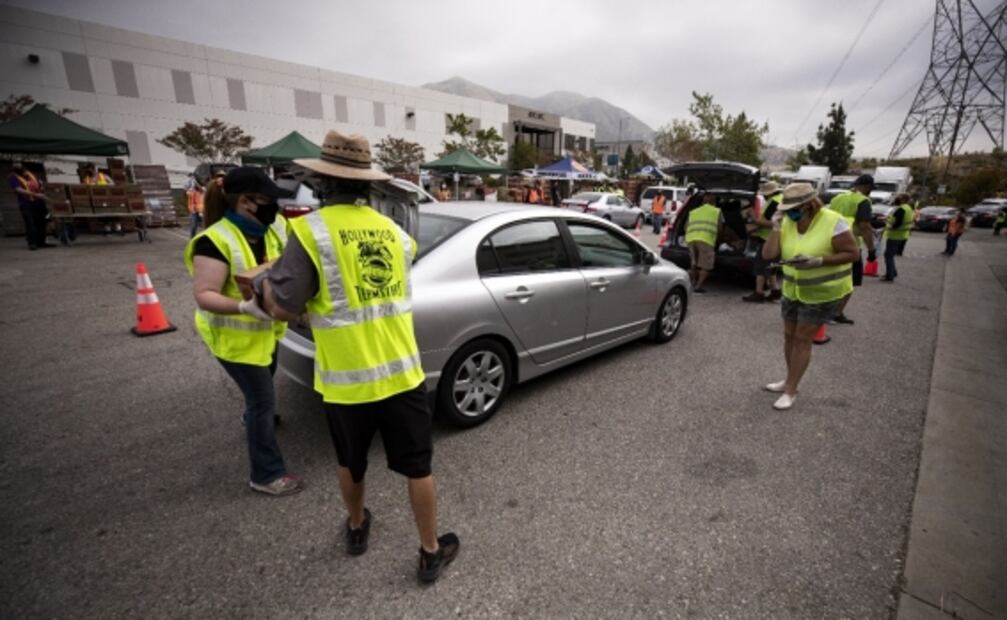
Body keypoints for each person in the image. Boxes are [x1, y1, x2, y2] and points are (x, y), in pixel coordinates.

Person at [256, 131, 459, 583]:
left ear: (323, 184)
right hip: (402, 373)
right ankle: (429, 551)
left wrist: (262, 281)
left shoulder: (309, 231)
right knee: (418, 467)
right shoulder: (397, 234)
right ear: (368, 185)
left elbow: (284, 306)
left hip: (347, 381)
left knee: (351, 461)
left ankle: (356, 527)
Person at [183, 167, 303, 497]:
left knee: (264, 389)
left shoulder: (272, 226)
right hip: (235, 340)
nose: (274, 209)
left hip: (266, 333)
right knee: (262, 403)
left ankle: (253, 418)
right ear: (246, 202)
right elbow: (204, 294)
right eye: (267, 201)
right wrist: (242, 308)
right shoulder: (215, 241)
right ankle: (266, 474)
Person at [762, 183, 858, 410]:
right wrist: (775, 228)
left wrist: (820, 261)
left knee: (802, 340)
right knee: (789, 336)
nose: (789, 213)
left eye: (794, 209)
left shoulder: (833, 221)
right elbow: (768, 254)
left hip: (821, 292)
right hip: (793, 289)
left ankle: (791, 390)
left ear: (809, 205)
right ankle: (788, 379)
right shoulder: (787, 222)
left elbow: (853, 254)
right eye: (786, 210)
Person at [827, 174, 877, 325]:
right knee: (850, 282)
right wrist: (872, 250)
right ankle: (836, 312)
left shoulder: (838, 198)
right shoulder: (863, 201)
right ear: (867, 187)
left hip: (831, 242)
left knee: (831, 279)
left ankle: (826, 310)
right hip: (851, 246)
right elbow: (864, 226)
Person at [743, 181, 784, 302]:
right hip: (778, 238)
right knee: (771, 267)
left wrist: (753, 219)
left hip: (769, 240)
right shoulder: (782, 199)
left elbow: (769, 222)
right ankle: (775, 291)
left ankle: (758, 293)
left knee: (760, 266)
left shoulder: (774, 202)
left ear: (768, 194)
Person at [685, 191, 722, 294]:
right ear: (714, 202)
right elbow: (720, 228)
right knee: (706, 265)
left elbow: (686, 227)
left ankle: (692, 282)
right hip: (706, 239)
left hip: (691, 238)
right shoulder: (716, 211)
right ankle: (698, 286)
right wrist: (719, 239)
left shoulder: (694, 211)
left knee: (694, 262)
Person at [8, 162, 51, 250]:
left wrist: (42, 189)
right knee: (30, 223)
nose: (17, 166)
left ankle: (41, 242)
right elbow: (18, 190)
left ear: (23, 166)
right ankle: (32, 243)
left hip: (38, 202)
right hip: (26, 203)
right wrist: (35, 194)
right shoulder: (13, 177)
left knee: (42, 222)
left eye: (19, 164)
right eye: (15, 165)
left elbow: (39, 185)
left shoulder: (30, 175)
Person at [881, 193, 914, 282]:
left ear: (903, 199)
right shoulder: (908, 208)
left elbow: (897, 224)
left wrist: (888, 227)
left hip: (895, 235)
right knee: (890, 255)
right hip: (902, 235)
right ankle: (893, 272)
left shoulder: (901, 209)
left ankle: (890, 276)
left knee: (888, 255)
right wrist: (887, 219)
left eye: (898, 197)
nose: (896, 199)